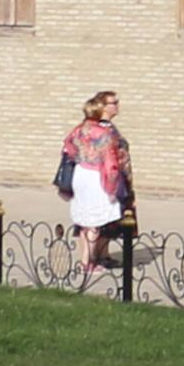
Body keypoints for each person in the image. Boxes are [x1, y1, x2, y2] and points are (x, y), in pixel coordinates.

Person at [65, 91, 134, 272]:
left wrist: (84, 158)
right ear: (100, 108)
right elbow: (110, 163)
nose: (117, 105)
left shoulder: (79, 129)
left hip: (81, 174)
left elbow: (68, 148)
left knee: (85, 219)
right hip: (98, 177)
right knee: (96, 220)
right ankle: (89, 262)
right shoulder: (104, 133)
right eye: (113, 103)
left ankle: (88, 259)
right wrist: (112, 186)